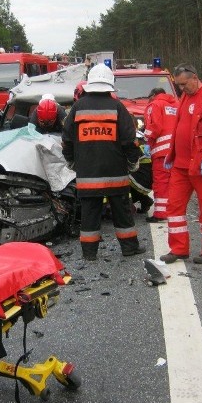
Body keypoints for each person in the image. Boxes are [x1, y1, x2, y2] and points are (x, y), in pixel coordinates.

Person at [62, 63, 145, 260]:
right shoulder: (117, 107)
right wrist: (133, 162)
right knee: (122, 212)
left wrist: (72, 162)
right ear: (110, 84)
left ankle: (89, 254)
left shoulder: (77, 107)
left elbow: (67, 140)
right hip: (115, 173)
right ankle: (129, 248)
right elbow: (129, 139)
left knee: (90, 215)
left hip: (87, 175)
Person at [160, 63, 202, 264]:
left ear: (194, 77)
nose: (182, 88)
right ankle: (179, 249)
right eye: (178, 85)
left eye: (184, 84)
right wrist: (171, 153)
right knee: (174, 207)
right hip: (181, 165)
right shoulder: (184, 97)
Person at [144, 87, 179, 222]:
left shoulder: (154, 105)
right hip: (178, 150)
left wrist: (147, 140)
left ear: (153, 95)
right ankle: (174, 211)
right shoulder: (177, 104)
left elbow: (154, 127)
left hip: (161, 151)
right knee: (175, 182)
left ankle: (161, 214)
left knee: (161, 182)